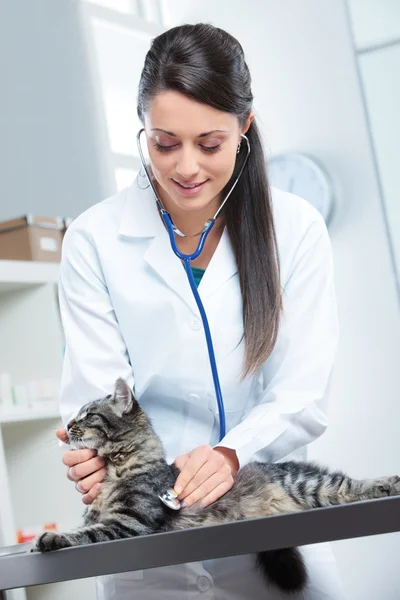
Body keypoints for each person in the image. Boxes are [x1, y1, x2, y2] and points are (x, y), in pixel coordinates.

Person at [56, 22, 343, 600]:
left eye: (209, 144)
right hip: (151, 555)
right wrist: (90, 459)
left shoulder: (295, 229)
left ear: (245, 129)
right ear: (142, 130)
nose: (186, 167)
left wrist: (234, 453)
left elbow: (303, 389)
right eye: (164, 142)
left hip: (268, 533)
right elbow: (97, 390)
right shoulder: (93, 238)